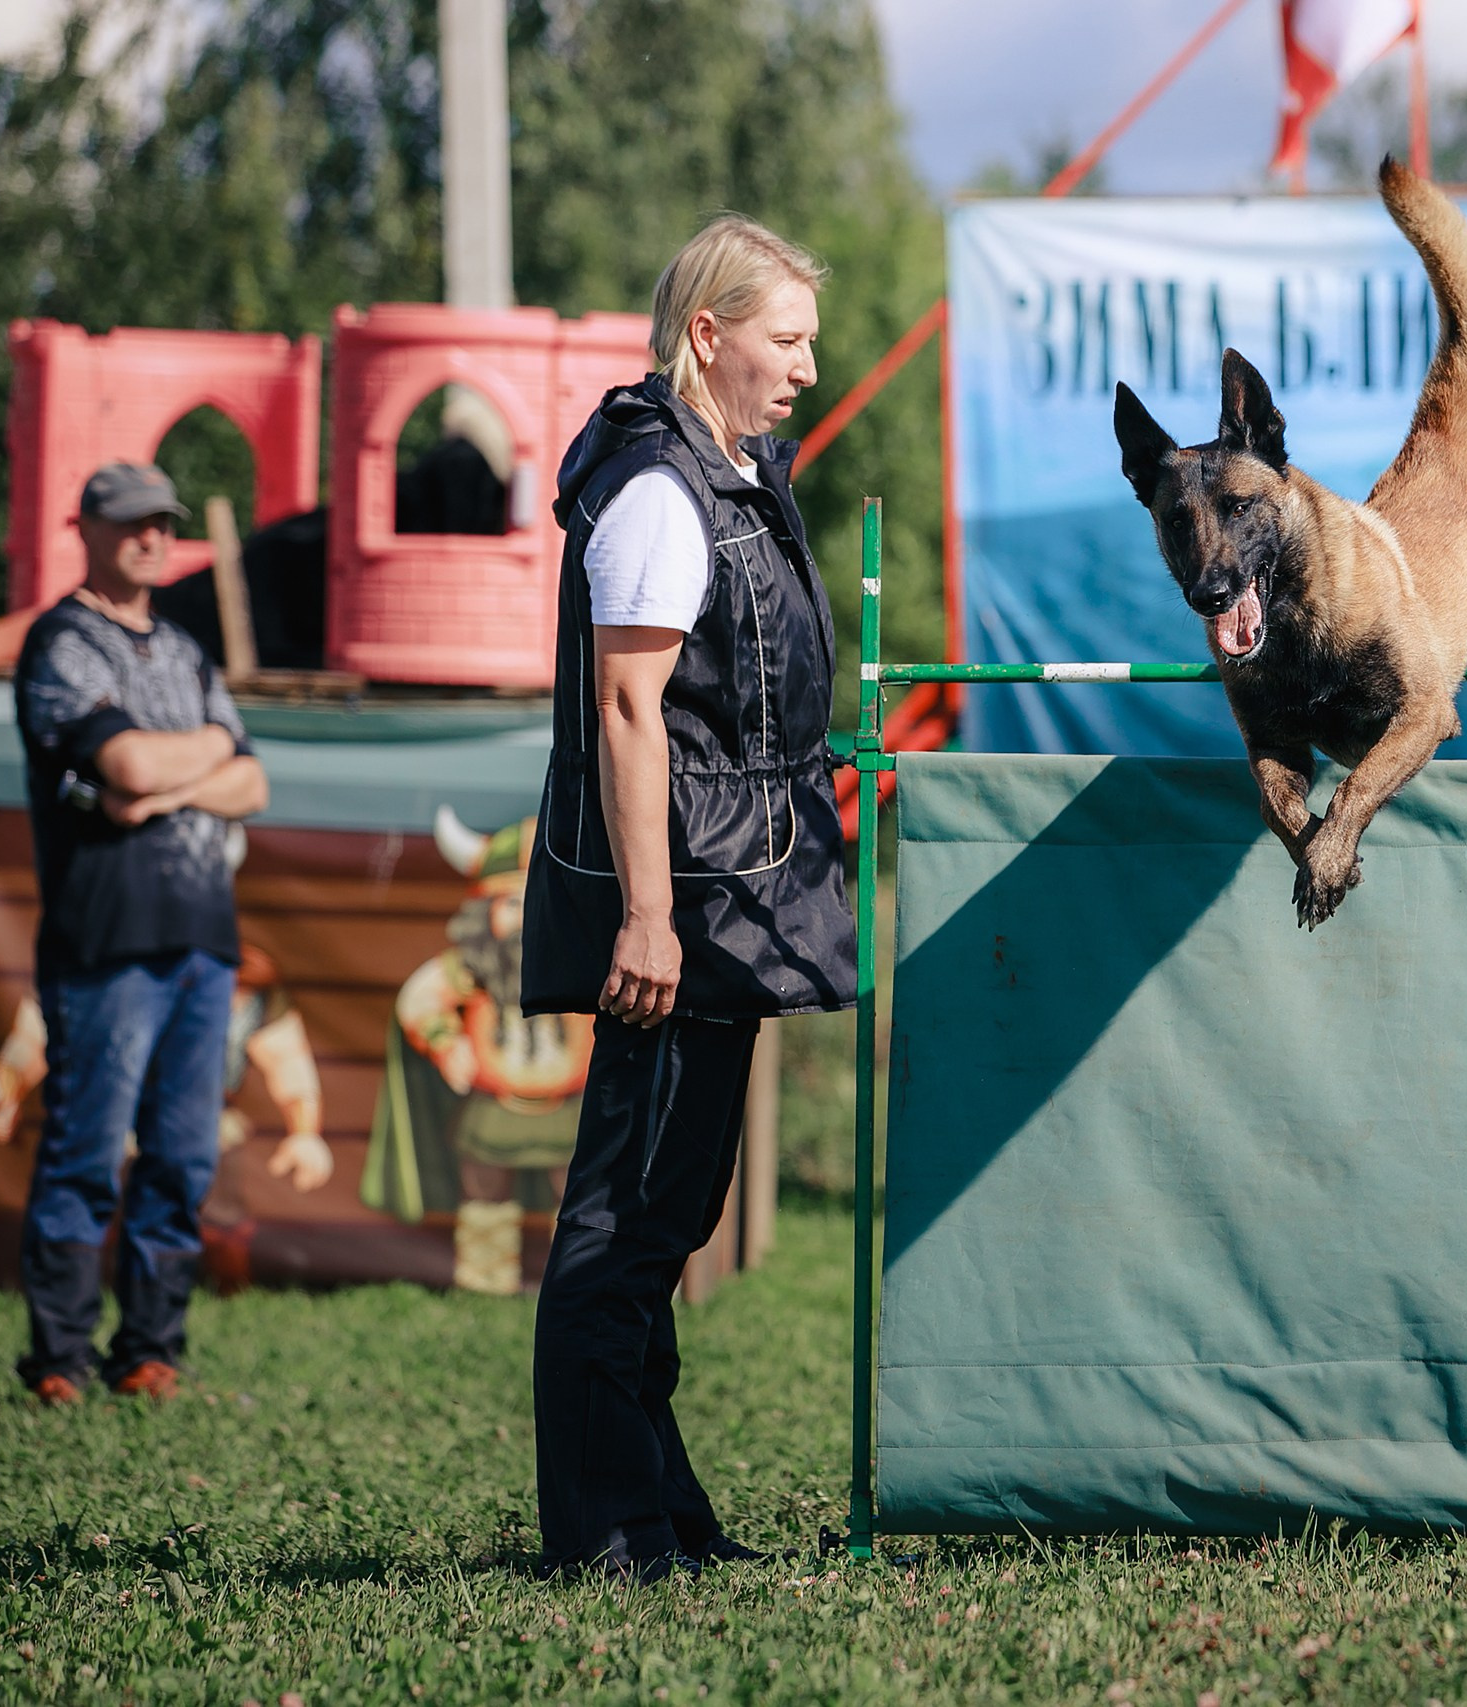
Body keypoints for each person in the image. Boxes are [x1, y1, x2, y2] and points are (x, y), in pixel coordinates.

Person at [521, 214, 856, 1578]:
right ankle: (605, 1529)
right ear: (707, 336)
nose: (808, 368)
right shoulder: (661, 490)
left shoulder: (729, 469)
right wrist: (649, 917)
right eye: (786, 339)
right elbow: (626, 707)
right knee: (625, 1218)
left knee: (665, 1213)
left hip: (727, 887)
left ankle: (659, 1512)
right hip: (681, 900)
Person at [10, 462, 270, 1404]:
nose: (151, 538)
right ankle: (58, 1359)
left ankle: (150, 1348)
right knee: (86, 1146)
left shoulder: (185, 647)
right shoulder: (61, 642)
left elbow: (250, 780)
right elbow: (118, 757)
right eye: (131, 523)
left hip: (203, 935)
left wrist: (168, 780)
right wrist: (196, 756)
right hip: (104, 938)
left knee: (182, 1154)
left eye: (163, 521)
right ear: (86, 527)